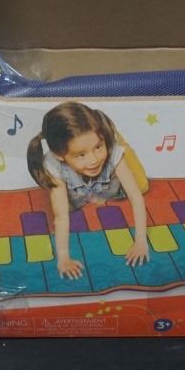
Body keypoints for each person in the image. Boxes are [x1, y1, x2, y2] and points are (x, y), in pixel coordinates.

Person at [27, 102, 149, 279]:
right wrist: (63, 258)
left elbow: (135, 196)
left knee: (142, 185)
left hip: (109, 186)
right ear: (59, 155)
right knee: (69, 206)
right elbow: (61, 217)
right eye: (81, 155)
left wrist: (140, 241)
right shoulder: (54, 165)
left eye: (98, 147)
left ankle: (112, 135)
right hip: (81, 189)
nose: (94, 160)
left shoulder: (111, 151)